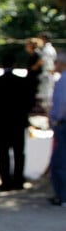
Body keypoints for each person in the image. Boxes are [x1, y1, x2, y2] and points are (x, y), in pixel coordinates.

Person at [0, 53, 31, 191]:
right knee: (19, 153)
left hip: (1, 124)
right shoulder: (21, 82)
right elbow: (28, 102)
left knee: (3, 154)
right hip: (17, 123)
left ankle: (6, 182)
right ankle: (18, 181)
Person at [49, 52, 66, 206]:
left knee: (60, 163)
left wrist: (55, 120)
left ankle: (62, 196)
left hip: (63, 125)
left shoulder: (63, 81)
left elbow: (61, 105)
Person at [39, 32, 57, 111]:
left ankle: (47, 110)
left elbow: (43, 61)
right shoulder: (51, 48)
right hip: (49, 72)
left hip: (47, 72)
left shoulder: (47, 49)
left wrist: (34, 67)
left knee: (47, 91)